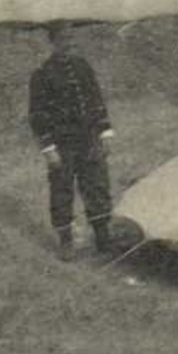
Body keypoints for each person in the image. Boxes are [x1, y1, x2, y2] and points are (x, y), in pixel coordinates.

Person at [28, 23, 115, 261]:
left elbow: (96, 100)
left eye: (72, 39)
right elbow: (37, 115)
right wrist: (48, 148)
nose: (70, 44)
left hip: (89, 138)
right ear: (53, 42)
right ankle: (66, 241)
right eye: (64, 40)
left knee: (97, 184)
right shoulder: (42, 74)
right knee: (62, 189)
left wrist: (105, 132)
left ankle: (103, 236)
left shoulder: (83, 67)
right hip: (62, 143)